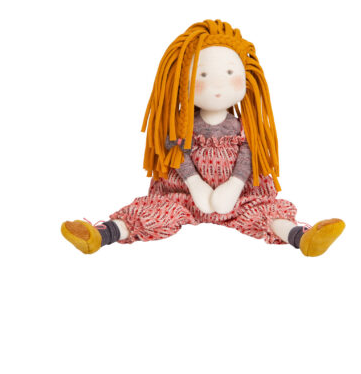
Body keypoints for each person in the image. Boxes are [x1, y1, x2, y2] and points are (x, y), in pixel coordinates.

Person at [61, 19, 345, 256]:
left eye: (230, 72)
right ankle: (102, 234)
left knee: (266, 213)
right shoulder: (183, 126)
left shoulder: (242, 127)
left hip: (241, 198)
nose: (217, 84)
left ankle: (300, 237)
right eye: (203, 74)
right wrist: (195, 185)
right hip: (183, 196)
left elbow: (248, 155)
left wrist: (234, 186)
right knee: (156, 212)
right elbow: (177, 153)